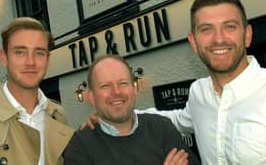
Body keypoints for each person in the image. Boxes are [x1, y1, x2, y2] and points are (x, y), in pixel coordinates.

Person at [82, 0, 266, 164]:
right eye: (206, 29)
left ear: (248, 35)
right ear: (193, 42)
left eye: (230, 26)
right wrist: (117, 112)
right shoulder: (199, 92)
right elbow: (176, 119)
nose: (218, 39)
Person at [63, 54, 200, 165]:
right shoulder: (80, 147)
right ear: (91, 97)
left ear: (134, 90)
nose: (116, 92)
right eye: (105, 86)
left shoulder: (161, 128)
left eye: (123, 83)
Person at [0, 17, 74, 165]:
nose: (31, 62)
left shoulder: (58, 115)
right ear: (4, 57)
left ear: (47, 58)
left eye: (39, 53)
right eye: (20, 52)